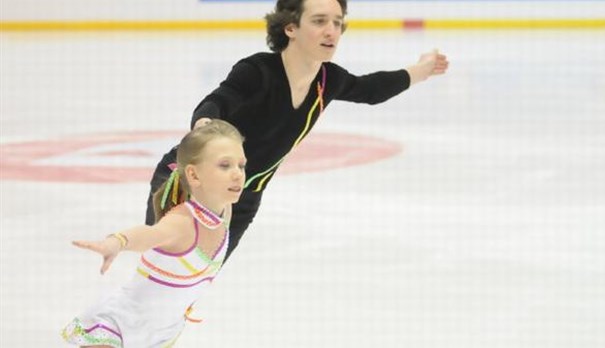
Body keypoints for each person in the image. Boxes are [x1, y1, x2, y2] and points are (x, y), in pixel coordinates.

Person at [146, 0, 449, 263]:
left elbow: (371, 89)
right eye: (319, 21)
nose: (332, 31)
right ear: (290, 27)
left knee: (188, 291)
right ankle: (107, 329)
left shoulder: (328, 80)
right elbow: (218, 100)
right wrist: (203, 125)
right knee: (160, 276)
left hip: (242, 198)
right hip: (190, 182)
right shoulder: (258, 70)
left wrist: (421, 69)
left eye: (337, 22)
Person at [62, 120, 246, 347]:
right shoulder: (183, 222)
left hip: (160, 336)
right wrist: (117, 242)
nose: (238, 174)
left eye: (241, 165)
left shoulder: (223, 212)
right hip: (119, 327)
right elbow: (149, 234)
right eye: (225, 165)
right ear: (194, 175)